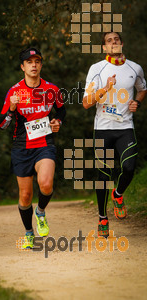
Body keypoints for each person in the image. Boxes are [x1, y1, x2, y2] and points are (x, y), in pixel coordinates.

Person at [0, 47, 66, 249]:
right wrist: (11, 109)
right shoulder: (14, 92)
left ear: (41, 65)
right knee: (25, 195)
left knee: (45, 184)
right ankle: (29, 232)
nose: (34, 65)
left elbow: (62, 111)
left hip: (44, 144)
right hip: (21, 147)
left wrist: (57, 122)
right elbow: (2, 124)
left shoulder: (52, 89)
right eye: (29, 62)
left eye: (37, 61)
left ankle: (41, 212)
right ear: (22, 66)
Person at [83, 32, 147, 238]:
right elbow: (86, 103)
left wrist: (137, 102)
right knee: (103, 176)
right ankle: (102, 218)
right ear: (104, 48)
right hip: (103, 128)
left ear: (122, 43)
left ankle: (118, 194)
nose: (113, 43)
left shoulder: (134, 68)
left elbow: (143, 89)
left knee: (129, 167)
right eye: (109, 41)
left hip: (125, 127)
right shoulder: (96, 69)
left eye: (116, 40)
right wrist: (105, 88)